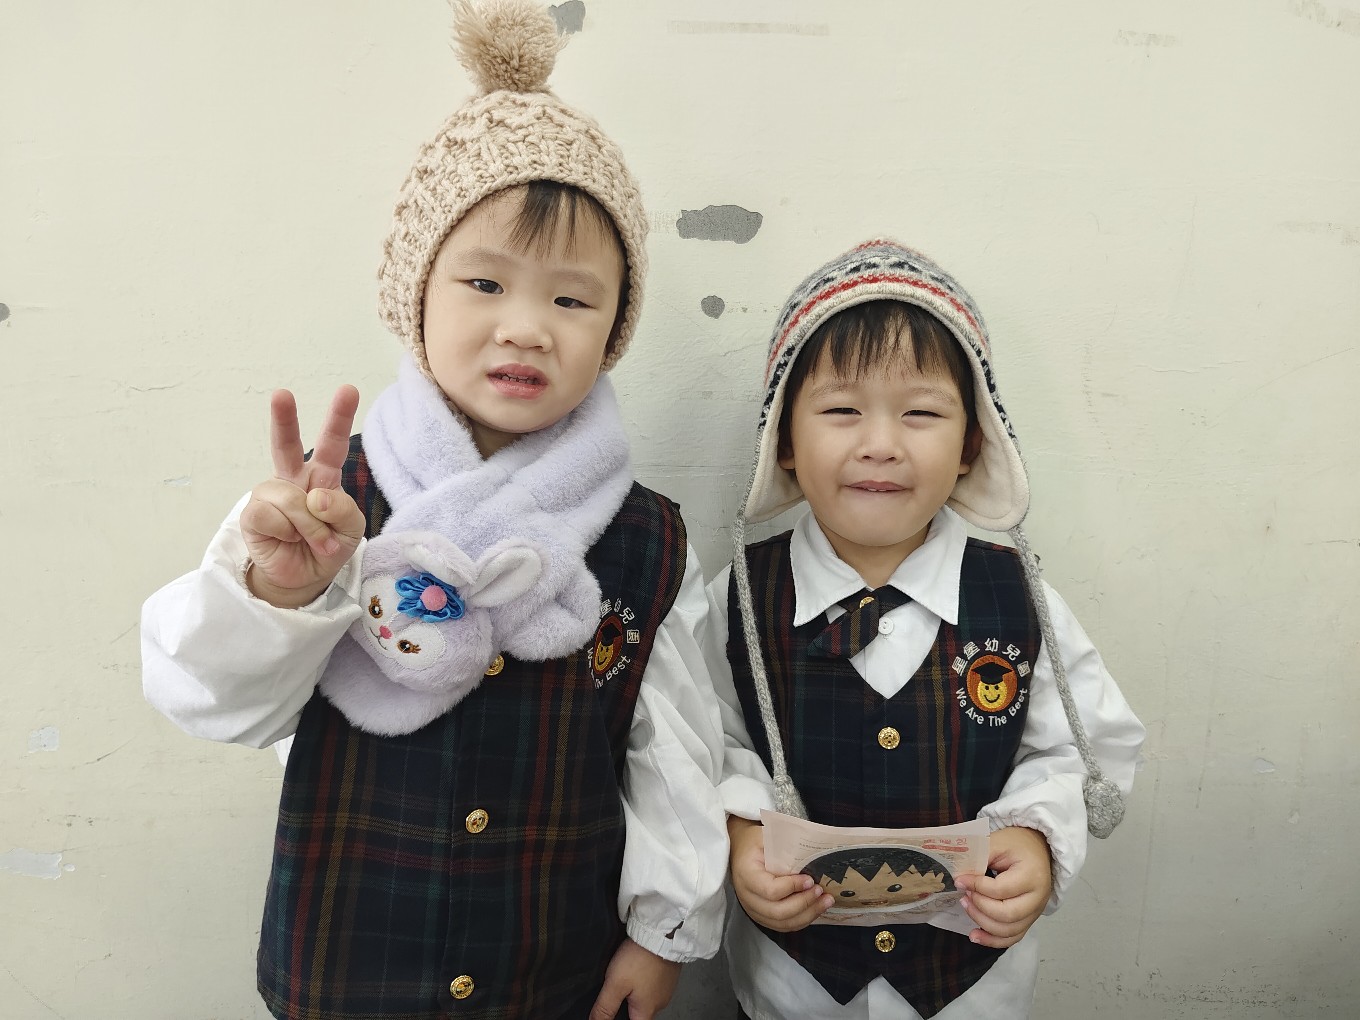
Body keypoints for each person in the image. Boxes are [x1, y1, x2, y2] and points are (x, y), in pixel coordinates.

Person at [141, 3, 728, 1017]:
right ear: (416, 294)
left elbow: (671, 754)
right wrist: (277, 596)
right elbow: (210, 699)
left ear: (615, 326)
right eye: (485, 282)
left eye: (572, 300)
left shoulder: (646, 540)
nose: (526, 327)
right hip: (349, 965)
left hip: (556, 973)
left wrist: (663, 930)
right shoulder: (322, 510)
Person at [706, 239, 1146, 1019]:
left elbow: (1079, 750)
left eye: (921, 413)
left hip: (973, 986)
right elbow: (704, 745)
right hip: (793, 988)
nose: (880, 443)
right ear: (785, 441)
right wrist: (741, 835)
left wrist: (1038, 838)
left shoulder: (1021, 601)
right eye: (841, 410)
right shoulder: (737, 601)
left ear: (972, 443)